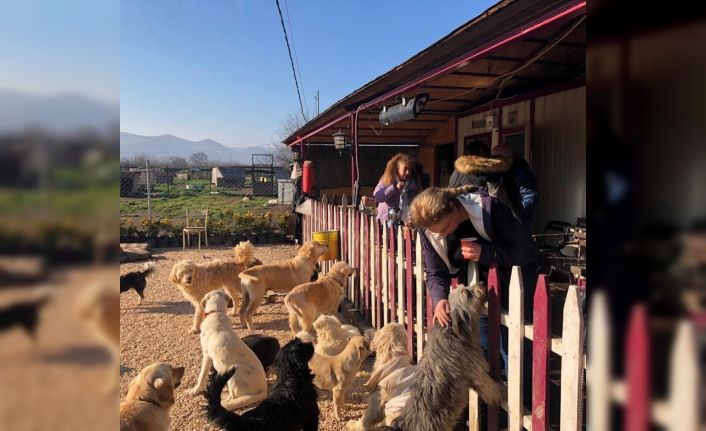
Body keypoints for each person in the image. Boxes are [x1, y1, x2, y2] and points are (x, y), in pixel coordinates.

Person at [491, 142, 540, 224]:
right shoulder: (498, 172)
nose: (492, 162)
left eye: (495, 158)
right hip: (503, 220)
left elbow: (530, 195)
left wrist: (516, 217)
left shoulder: (520, 171)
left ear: (504, 159)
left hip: (517, 221)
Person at [373, 153, 419, 227]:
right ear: (397, 168)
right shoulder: (387, 180)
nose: (408, 172)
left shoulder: (412, 185)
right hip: (385, 224)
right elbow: (378, 197)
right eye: (405, 168)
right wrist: (394, 188)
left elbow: (415, 204)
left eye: (410, 169)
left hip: (404, 224)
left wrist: (412, 218)